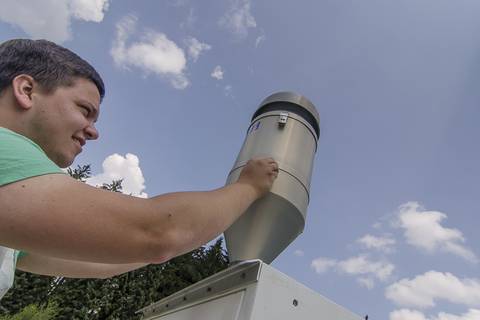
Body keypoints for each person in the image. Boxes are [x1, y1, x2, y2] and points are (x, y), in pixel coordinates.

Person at [0, 39, 278, 299]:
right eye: (85, 110)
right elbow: (158, 231)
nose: (94, 132)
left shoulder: (13, 234)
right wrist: (249, 187)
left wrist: (178, 239)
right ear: (26, 90)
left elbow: (107, 258)